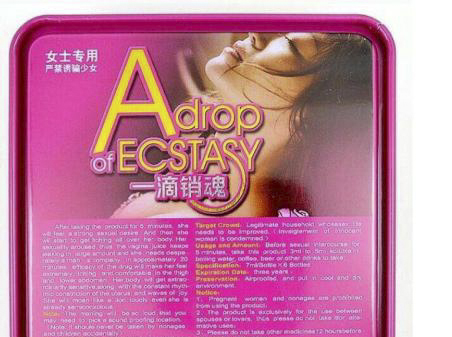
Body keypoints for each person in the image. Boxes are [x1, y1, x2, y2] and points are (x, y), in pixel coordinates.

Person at [114, 32, 373, 218]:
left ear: (314, 116)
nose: (256, 33)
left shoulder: (218, 228)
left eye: (289, 43)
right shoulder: (197, 169)